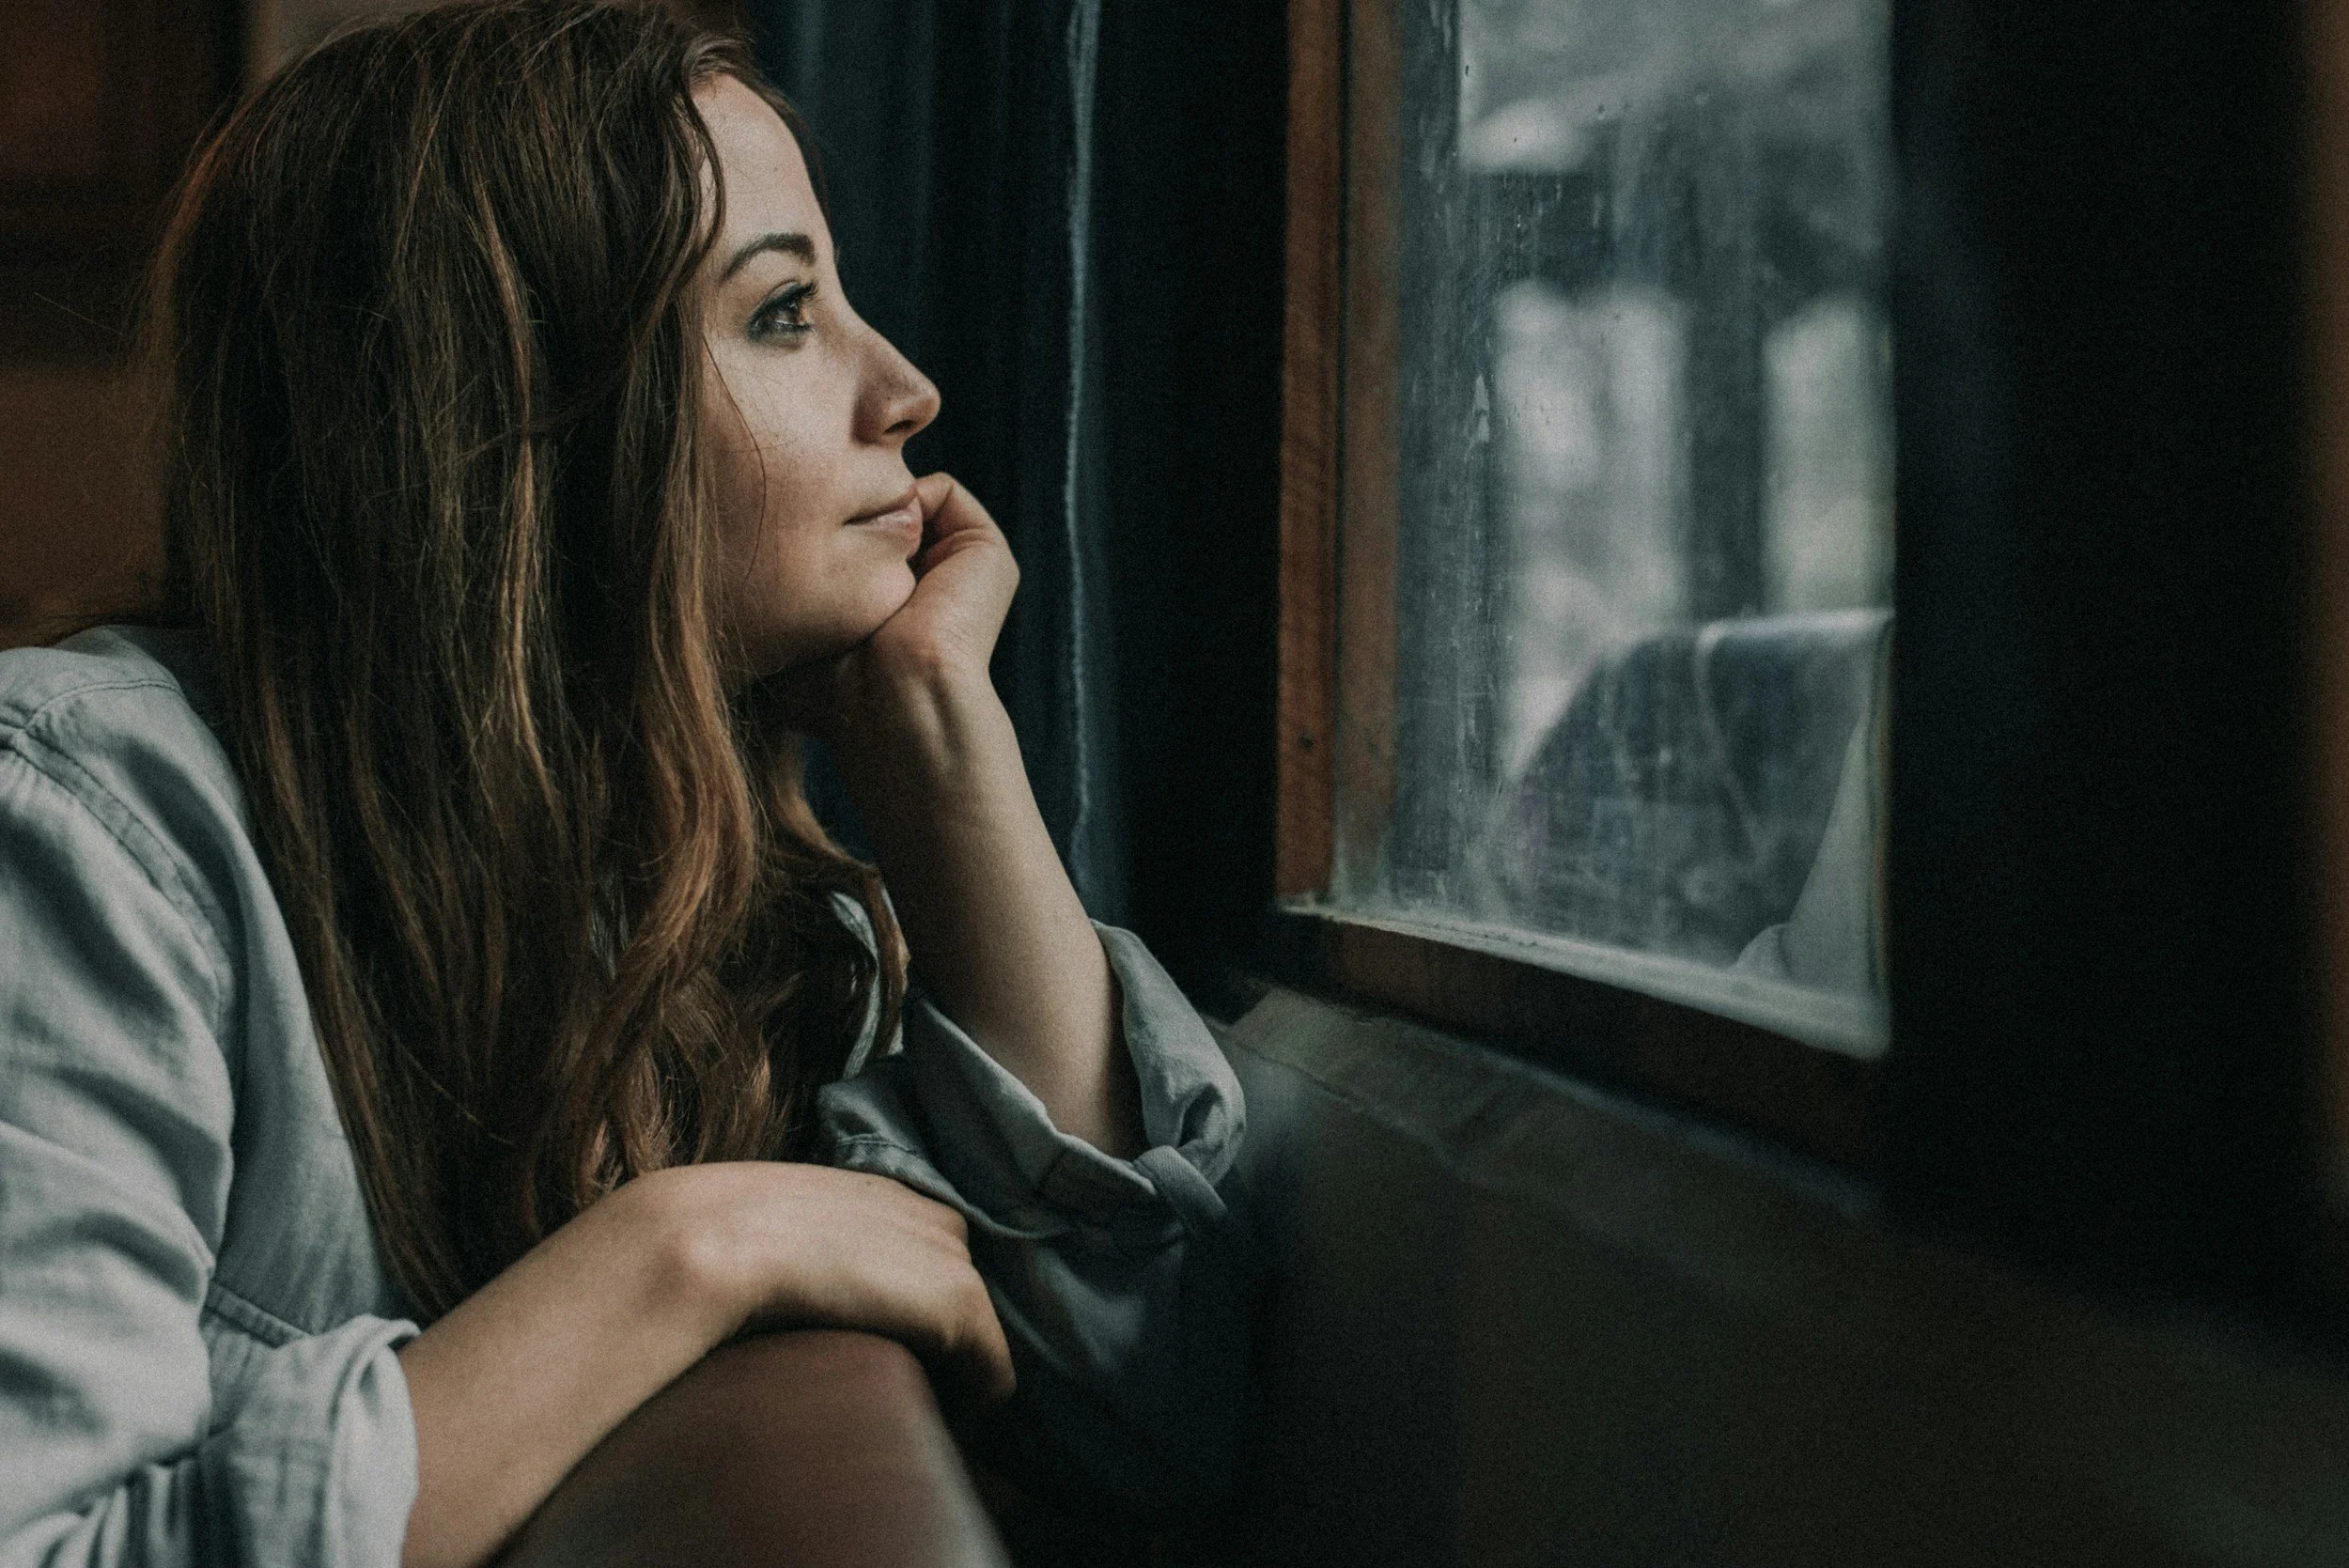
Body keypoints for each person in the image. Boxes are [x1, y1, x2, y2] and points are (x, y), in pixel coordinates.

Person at [0, 4, 1249, 1564]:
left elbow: (1140, 1448)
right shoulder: (81, 828)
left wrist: (943, 748)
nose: (909, 387)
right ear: (510, 410)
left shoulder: (740, 920)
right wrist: (688, 1247)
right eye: (787, 311)